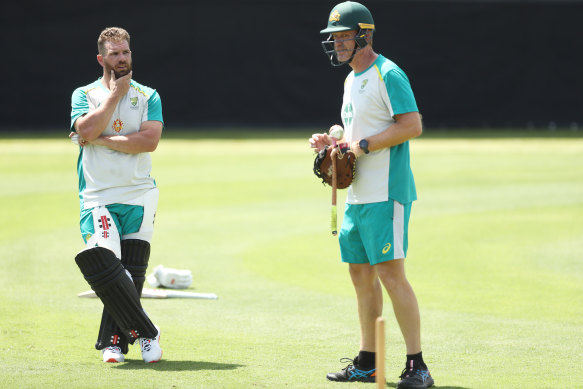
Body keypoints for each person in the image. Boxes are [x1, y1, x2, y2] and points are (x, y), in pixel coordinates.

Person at [310, 2, 433, 388]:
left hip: (386, 191)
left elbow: (412, 125)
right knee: (360, 274)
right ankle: (369, 361)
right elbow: (353, 132)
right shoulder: (350, 80)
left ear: (364, 34)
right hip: (358, 196)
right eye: (334, 37)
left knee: (391, 275)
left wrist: (362, 145)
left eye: (344, 35)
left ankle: (418, 366)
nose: (337, 42)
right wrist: (332, 140)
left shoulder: (388, 72)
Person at [69, 27, 164, 364]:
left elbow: (148, 141)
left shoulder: (148, 95)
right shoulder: (84, 94)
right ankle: (149, 334)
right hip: (97, 194)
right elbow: (86, 129)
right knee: (106, 265)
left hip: (139, 192)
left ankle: (113, 344)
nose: (121, 59)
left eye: (125, 53)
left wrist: (101, 140)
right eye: (114, 54)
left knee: (132, 273)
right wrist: (113, 96)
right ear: (101, 58)